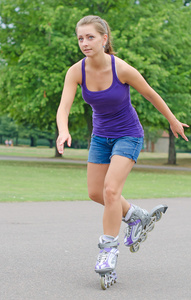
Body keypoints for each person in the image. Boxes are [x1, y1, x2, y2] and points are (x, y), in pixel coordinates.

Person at [56, 15, 189, 289]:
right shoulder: (76, 71)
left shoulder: (122, 69)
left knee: (111, 190)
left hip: (128, 135)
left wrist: (173, 120)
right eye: (80, 38)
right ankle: (136, 216)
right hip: (100, 138)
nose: (84, 43)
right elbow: (64, 106)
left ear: (104, 39)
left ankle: (108, 251)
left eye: (90, 37)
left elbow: (150, 93)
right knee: (95, 193)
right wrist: (63, 129)